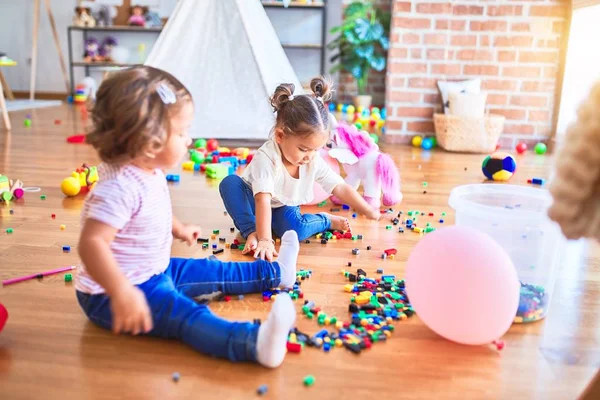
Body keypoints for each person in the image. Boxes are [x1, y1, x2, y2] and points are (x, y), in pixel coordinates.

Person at [76, 65, 298, 368]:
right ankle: (254, 343)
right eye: (181, 133)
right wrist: (121, 292)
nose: (189, 140)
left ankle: (277, 273)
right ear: (147, 141)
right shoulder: (118, 188)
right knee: (187, 316)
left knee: (213, 271)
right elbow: (91, 244)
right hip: (111, 295)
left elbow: (147, 214)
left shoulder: (147, 170)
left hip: (153, 271)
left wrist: (177, 228)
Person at [219, 77, 381, 261]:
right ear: (280, 136)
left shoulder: (312, 159)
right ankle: (251, 231)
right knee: (229, 183)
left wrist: (367, 209)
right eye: (303, 149)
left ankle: (326, 220)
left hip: (282, 205)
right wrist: (266, 240)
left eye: (316, 149)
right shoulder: (266, 158)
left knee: (297, 229)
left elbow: (340, 187)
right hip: (253, 201)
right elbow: (262, 199)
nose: (310, 156)